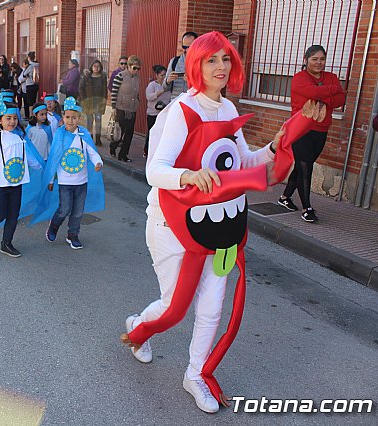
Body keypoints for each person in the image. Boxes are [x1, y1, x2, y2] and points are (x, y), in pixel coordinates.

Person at [119, 32, 301, 414]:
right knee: (174, 308)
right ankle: (139, 329)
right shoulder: (182, 110)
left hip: (220, 227)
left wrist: (271, 148)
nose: (221, 67)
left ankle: (196, 374)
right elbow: (156, 169)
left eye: (226, 59)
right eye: (211, 60)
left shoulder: (229, 110)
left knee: (213, 306)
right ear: (196, 65)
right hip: (173, 225)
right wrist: (187, 176)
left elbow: (240, 161)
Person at [278, 45, 346, 223]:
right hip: (301, 130)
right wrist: (332, 90)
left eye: (322, 59)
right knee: (306, 167)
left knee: (303, 165)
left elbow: (341, 99)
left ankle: (284, 198)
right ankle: (307, 208)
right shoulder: (299, 78)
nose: (319, 63)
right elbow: (312, 91)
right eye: (315, 59)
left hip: (321, 129)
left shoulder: (330, 77)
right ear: (306, 60)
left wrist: (325, 94)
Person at [39, 97, 104, 249]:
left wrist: (98, 162)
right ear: (63, 118)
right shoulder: (60, 136)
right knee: (65, 208)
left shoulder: (84, 135)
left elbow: (92, 152)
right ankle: (54, 224)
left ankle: (73, 235)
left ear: (79, 118)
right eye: (67, 117)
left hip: (82, 180)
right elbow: (55, 158)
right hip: (65, 181)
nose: (70, 121)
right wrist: (50, 179)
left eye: (74, 118)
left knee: (78, 211)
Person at [0, 102, 42, 257]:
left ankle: (6, 243)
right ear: (0, 120)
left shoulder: (19, 138)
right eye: (8, 118)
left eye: (15, 118)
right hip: (0, 185)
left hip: (16, 184)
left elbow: (29, 158)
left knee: (14, 215)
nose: (12, 122)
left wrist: (44, 169)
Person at [110, 55, 142, 162]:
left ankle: (123, 154)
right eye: (134, 68)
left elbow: (136, 92)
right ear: (129, 66)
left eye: (138, 68)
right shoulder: (120, 76)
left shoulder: (137, 77)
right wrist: (114, 108)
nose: (136, 71)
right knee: (120, 132)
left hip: (132, 109)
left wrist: (137, 101)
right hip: (121, 108)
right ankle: (113, 146)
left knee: (129, 133)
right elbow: (114, 92)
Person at [145, 65, 173, 157]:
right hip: (153, 114)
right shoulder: (152, 85)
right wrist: (161, 91)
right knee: (151, 134)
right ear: (157, 75)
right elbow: (149, 97)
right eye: (162, 75)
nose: (164, 77)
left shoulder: (169, 86)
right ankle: (147, 152)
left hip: (164, 115)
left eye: (166, 75)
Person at [78, 60, 108, 146]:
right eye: (94, 66)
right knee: (89, 121)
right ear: (91, 67)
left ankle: (98, 139)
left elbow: (105, 90)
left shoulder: (102, 77)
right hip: (89, 103)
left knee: (98, 121)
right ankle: (90, 138)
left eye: (98, 66)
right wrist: (84, 99)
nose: (96, 68)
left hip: (99, 102)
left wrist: (104, 100)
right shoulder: (87, 76)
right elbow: (81, 88)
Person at [163, 31, 198, 99]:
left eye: (190, 47)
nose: (187, 50)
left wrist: (191, 83)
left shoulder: (202, 63)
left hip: (193, 104)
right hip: (176, 103)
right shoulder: (174, 61)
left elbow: (207, 89)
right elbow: (164, 88)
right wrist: (168, 81)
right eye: (184, 47)